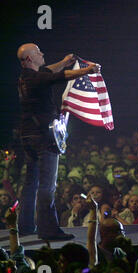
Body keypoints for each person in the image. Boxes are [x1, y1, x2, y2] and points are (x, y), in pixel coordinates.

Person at [17, 43, 100, 240]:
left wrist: (64, 62)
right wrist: (87, 70)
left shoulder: (27, 78)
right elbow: (58, 77)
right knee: (47, 186)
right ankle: (48, 230)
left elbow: (49, 71)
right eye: (38, 52)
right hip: (43, 137)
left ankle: (26, 226)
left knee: (31, 183)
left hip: (29, 135)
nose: (42, 53)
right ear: (29, 58)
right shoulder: (36, 78)